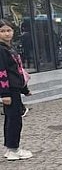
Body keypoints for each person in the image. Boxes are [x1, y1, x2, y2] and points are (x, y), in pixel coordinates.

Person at [0, 19, 33, 160]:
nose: (6, 33)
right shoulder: (1, 50)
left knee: (14, 118)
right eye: (2, 31)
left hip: (15, 88)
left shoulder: (10, 48)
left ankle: (12, 147)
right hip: (9, 90)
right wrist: (5, 93)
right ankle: (13, 149)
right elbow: (2, 72)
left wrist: (25, 89)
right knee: (13, 119)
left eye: (9, 30)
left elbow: (18, 70)